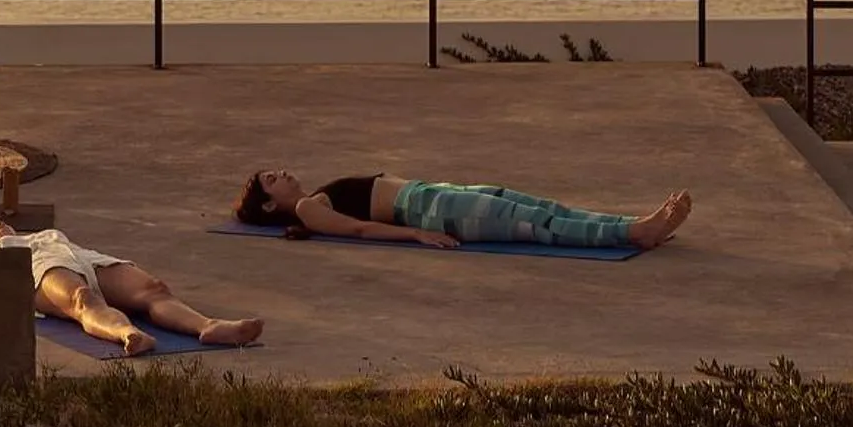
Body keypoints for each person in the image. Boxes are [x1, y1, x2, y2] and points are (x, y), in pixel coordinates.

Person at [0, 218, 262, 354]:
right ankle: (128, 333)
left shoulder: (42, 233)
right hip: (37, 267)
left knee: (154, 289)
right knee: (83, 299)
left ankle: (209, 326)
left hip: (83, 257)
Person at [234, 168, 692, 249]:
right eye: (271, 180)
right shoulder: (311, 211)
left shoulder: (317, 195)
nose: (282, 171)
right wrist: (416, 235)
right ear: (271, 204)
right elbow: (357, 231)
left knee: (543, 206)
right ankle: (633, 234)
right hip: (431, 212)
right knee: (537, 225)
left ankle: (633, 224)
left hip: (435, 193)